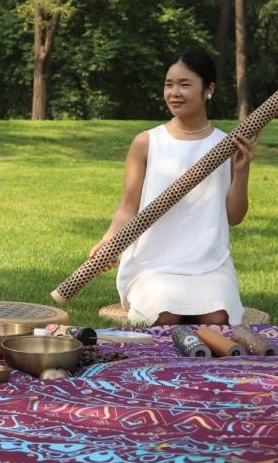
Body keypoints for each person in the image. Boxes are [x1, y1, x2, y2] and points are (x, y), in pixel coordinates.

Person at [91, 50, 257, 327]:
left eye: (185, 84)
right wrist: (109, 241)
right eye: (169, 84)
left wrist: (241, 173)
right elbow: (127, 206)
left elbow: (234, 217)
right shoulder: (146, 142)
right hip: (153, 264)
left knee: (216, 320)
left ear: (209, 90)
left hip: (209, 263)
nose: (174, 93)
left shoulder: (226, 145)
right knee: (165, 317)